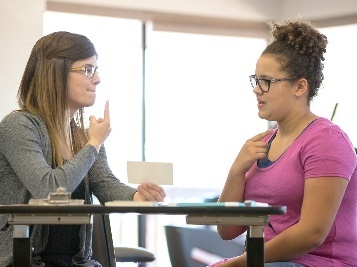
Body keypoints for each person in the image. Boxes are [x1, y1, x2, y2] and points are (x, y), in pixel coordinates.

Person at [0, 31, 166, 267]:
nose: (97, 79)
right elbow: (49, 190)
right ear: (55, 73)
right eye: (88, 69)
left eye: (96, 70)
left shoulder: (81, 136)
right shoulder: (19, 126)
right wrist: (94, 144)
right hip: (25, 261)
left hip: (76, 262)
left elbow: (105, 184)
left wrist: (138, 196)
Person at [209, 19, 357, 267]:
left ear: (299, 86)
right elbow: (227, 229)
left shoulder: (326, 140)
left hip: (315, 262)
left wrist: (238, 264)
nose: (257, 89)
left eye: (266, 81)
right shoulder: (261, 144)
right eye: (255, 80)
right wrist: (237, 170)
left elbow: (311, 233)